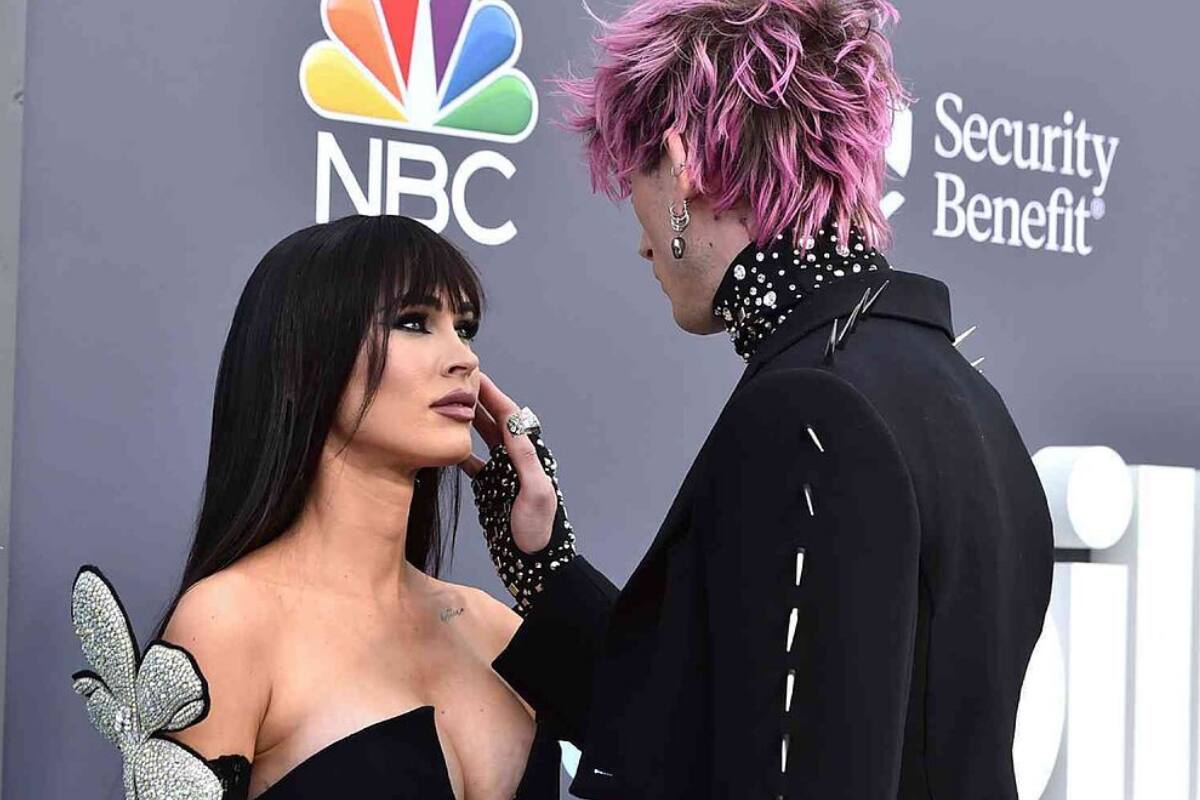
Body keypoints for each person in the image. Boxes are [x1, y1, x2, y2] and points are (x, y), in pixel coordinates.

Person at [462, 1, 1055, 798]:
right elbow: (714, 725)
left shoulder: (810, 412)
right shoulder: (966, 395)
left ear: (683, 168)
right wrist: (545, 565)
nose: (641, 240)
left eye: (635, 182)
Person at [68, 214, 562, 799]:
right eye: (413, 322)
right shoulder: (231, 622)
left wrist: (547, 567)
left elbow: (654, 745)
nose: (464, 359)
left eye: (465, 328)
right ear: (308, 359)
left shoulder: (495, 627)